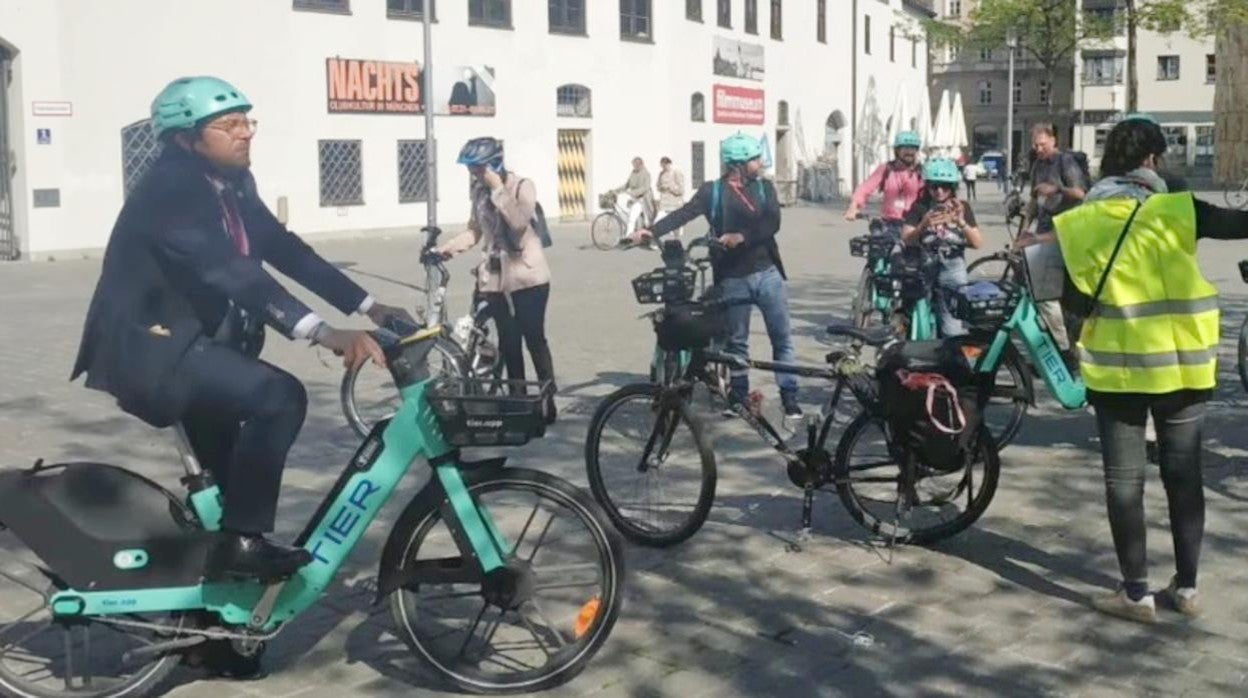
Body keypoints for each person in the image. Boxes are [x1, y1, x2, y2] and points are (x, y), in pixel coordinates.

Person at [71, 77, 414, 580]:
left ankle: (223, 638)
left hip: (199, 347)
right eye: (228, 125)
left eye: (247, 121)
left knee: (229, 491)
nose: (245, 133)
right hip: (152, 351)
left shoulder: (231, 183)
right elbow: (229, 271)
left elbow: (285, 250)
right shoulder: (171, 191)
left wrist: (370, 307)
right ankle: (244, 543)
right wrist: (322, 332)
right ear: (186, 138)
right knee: (279, 398)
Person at [1053, 114, 1248, 623]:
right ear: (1153, 160)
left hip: (1117, 372)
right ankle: (1186, 588)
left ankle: (1135, 594)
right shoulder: (1182, 211)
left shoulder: (1081, 221)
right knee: (1184, 476)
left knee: (1124, 481)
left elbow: (1072, 298)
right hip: (1184, 368)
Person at [631, 133, 802, 420]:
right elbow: (684, 213)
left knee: (781, 337)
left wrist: (742, 236)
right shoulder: (713, 192)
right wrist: (651, 230)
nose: (760, 163)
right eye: (755, 159)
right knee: (737, 341)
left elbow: (772, 223)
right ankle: (738, 396)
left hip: (768, 273)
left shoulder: (764, 189)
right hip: (732, 277)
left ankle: (790, 396)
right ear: (738, 164)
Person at [438, 137, 557, 422]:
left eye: (479, 169)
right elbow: (475, 231)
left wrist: (498, 189)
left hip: (528, 279)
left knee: (534, 339)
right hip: (495, 280)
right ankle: (518, 402)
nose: (474, 175)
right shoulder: (479, 192)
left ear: (495, 163)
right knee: (509, 342)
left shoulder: (521, 186)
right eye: (472, 170)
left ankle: (547, 400)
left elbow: (518, 225)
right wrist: (447, 248)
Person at [1016, 124, 1088, 364]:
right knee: (1043, 292)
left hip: (1067, 231)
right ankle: (1058, 347)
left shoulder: (1064, 162)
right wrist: (1025, 227)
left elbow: (1081, 194)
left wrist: (1056, 188)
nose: (1038, 149)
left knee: (1048, 294)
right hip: (1044, 231)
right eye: (1035, 145)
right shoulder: (1038, 165)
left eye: (1042, 144)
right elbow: (1035, 200)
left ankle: (1064, 350)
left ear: (1053, 141)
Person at [902, 158, 984, 337]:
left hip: (952, 267)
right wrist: (923, 224)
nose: (939, 191)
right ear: (928, 187)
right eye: (934, 186)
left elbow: (978, 243)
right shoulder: (919, 207)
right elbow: (907, 238)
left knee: (953, 330)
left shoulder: (963, 208)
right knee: (918, 322)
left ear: (953, 187)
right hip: (926, 266)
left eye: (945, 187)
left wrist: (960, 222)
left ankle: (952, 360)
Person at [843, 131, 926, 239]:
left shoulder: (922, 172)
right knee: (879, 249)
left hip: (914, 225)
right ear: (897, 150)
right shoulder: (887, 169)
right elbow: (866, 188)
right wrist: (853, 206)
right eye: (905, 149)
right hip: (890, 223)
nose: (909, 152)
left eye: (913, 149)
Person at [616, 157, 656, 241]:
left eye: (635, 165)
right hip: (636, 200)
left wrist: (633, 193)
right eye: (633, 165)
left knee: (647, 221)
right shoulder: (633, 172)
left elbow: (645, 188)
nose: (634, 167)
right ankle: (629, 237)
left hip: (644, 200)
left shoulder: (646, 174)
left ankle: (652, 239)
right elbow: (627, 184)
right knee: (632, 217)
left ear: (640, 164)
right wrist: (617, 191)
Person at [655, 156, 686, 235]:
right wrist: (661, 187)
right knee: (657, 221)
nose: (664, 167)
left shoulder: (676, 173)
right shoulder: (661, 174)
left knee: (675, 226)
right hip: (664, 203)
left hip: (674, 203)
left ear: (669, 164)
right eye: (662, 166)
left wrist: (670, 187)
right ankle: (655, 241)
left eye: (665, 165)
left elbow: (681, 190)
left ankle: (676, 241)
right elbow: (658, 186)